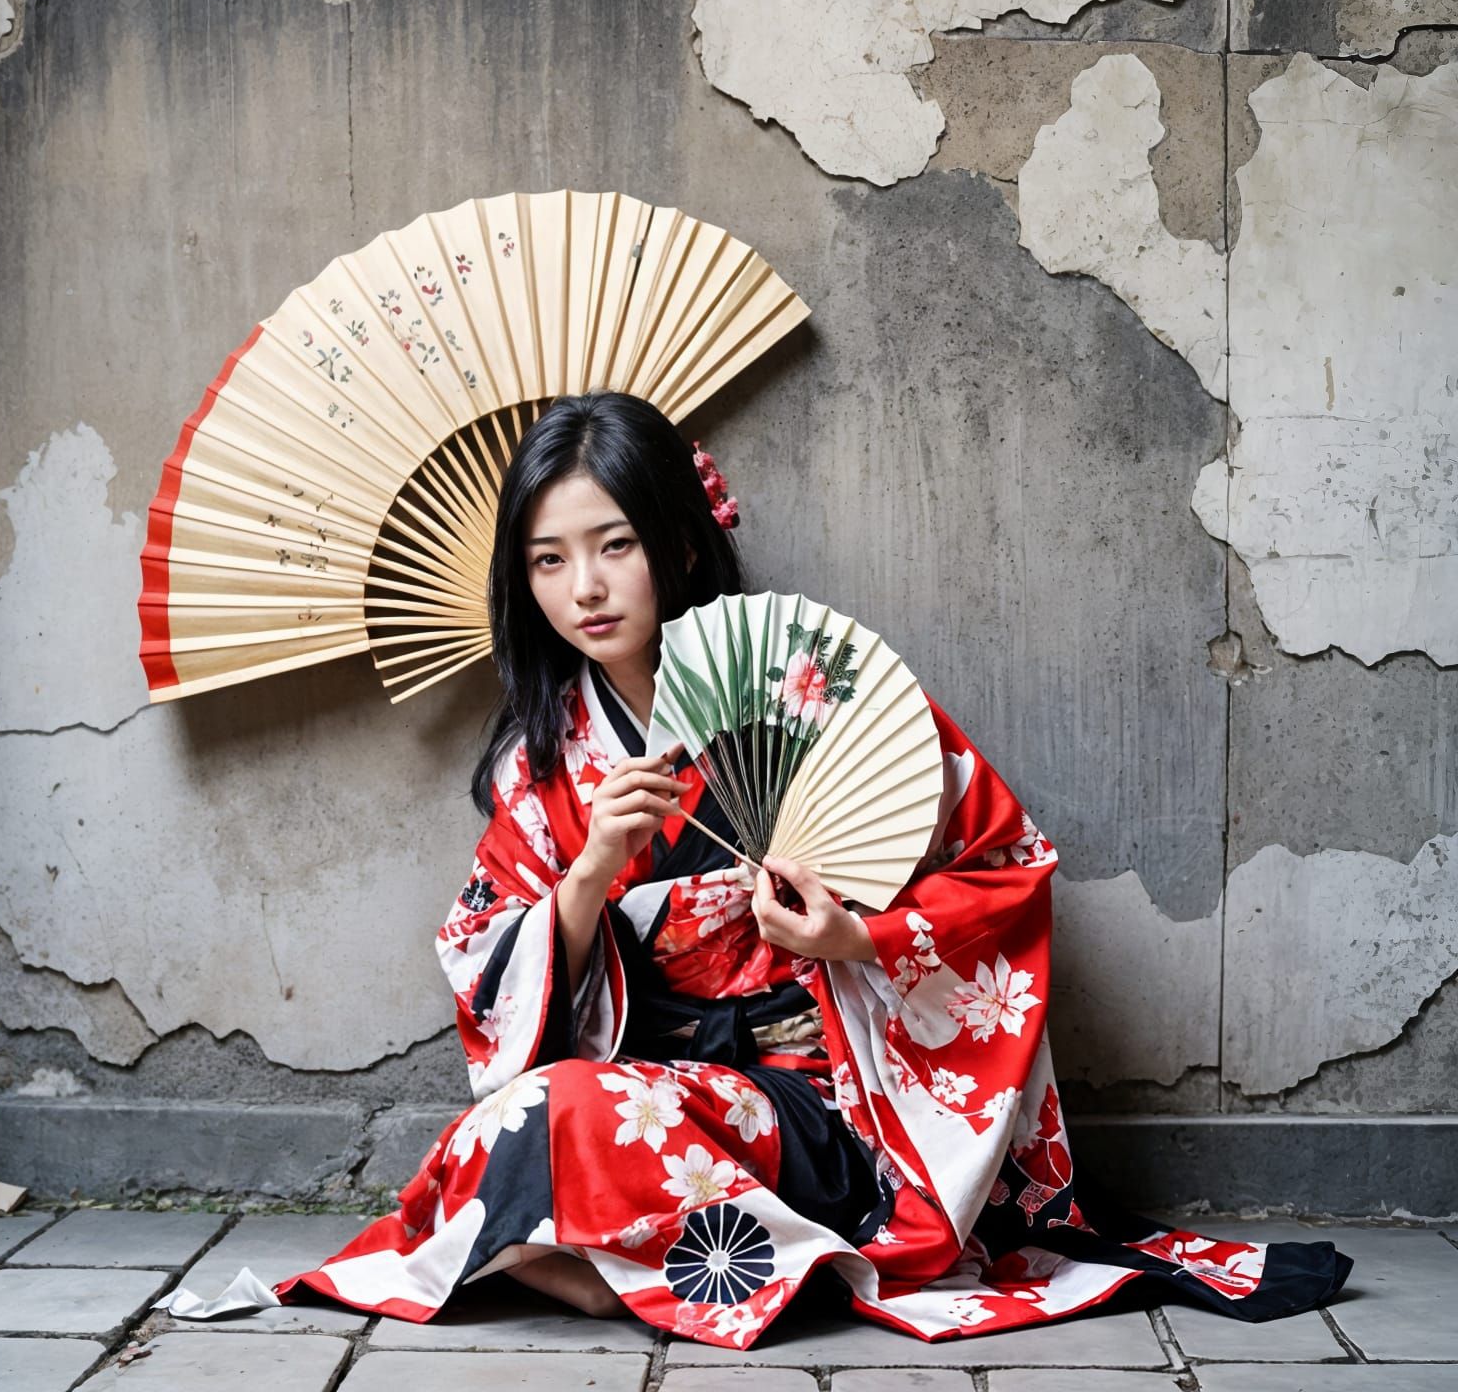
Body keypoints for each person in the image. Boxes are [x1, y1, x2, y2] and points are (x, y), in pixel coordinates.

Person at [275, 391, 1351, 1346]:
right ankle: (663, 1256)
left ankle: (650, 1263)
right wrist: (591, 874)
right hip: (670, 1093)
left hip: (829, 1104)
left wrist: (853, 940)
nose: (584, 588)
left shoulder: (812, 697)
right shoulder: (543, 762)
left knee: (569, 1123)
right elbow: (484, 963)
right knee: (537, 1114)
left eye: (614, 545)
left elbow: (1005, 867)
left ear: (683, 546)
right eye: (549, 560)